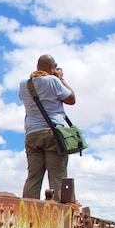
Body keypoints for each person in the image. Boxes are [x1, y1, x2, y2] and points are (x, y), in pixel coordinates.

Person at [19, 54, 76, 200]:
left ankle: (28, 211)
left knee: (33, 176)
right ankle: (58, 215)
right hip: (53, 134)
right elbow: (71, 99)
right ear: (52, 67)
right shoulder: (53, 81)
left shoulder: (24, 84)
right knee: (57, 176)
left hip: (32, 134)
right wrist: (61, 78)